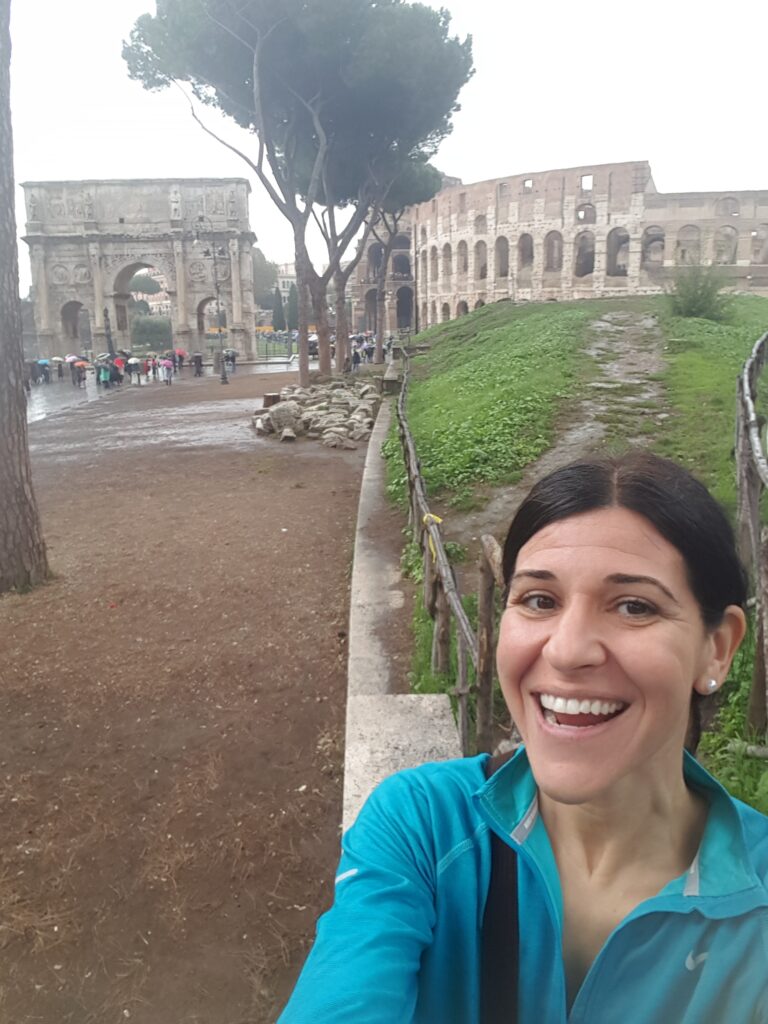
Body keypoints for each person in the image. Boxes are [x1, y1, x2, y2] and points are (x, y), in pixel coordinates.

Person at [278, 451, 768, 1024]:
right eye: (539, 600)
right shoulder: (424, 828)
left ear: (718, 647)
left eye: (634, 606)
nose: (566, 650)